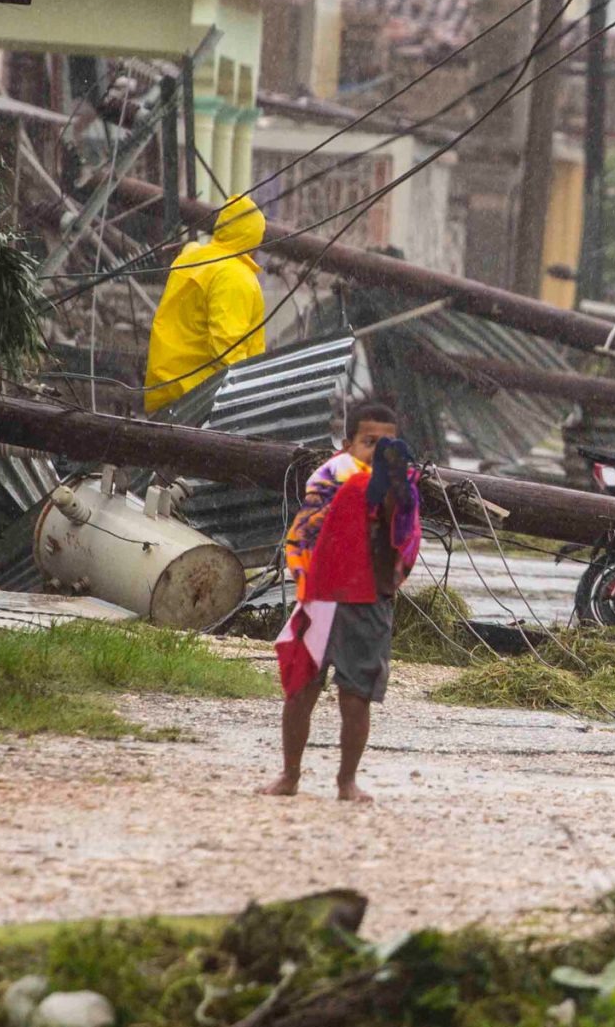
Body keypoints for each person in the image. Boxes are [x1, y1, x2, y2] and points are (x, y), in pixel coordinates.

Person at [260, 399, 420, 801]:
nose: (378, 452)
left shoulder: (401, 490)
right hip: (320, 598)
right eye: (369, 442)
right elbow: (306, 529)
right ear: (347, 444)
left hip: (368, 603)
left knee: (356, 697)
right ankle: (290, 774)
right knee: (300, 690)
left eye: (388, 445)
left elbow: (406, 539)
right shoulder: (329, 479)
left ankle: (346, 781)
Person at [144, 195, 268, 411]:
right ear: (254, 238)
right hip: (201, 403)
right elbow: (227, 347)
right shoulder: (234, 276)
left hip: (167, 392)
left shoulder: (193, 259)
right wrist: (251, 400)